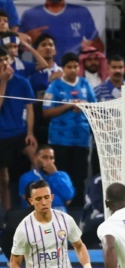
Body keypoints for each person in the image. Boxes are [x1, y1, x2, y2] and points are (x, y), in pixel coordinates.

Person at [42, 52, 97, 207]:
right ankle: (60, 207)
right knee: (62, 174)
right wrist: (67, 106)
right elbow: (46, 113)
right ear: (63, 68)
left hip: (82, 139)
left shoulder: (85, 85)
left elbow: (94, 108)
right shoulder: (55, 86)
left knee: (79, 176)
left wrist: (84, 106)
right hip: (60, 139)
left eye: (75, 66)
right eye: (69, 67)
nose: (73, 70)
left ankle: (78, 210)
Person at [0, 46, 37, 212]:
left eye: (5, 60)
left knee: (36, 160)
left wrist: (30, 132)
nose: (3, 63)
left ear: (10, 60)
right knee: (3, 178)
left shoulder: (23, 82)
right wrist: (3, 81)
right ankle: (7, 214)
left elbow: (30, 109)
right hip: (2, 136)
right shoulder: (4, 81)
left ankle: (36, 205)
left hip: (20, 133)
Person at [18, 144, 75, 212]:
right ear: (35, 158)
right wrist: (59, 199)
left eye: (51, 158)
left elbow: (68, 196)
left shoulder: (63, 175)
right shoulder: (26, 177)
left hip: (60, 214)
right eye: (44, 157)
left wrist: (54, 175)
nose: (49, 161)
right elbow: (29, 203)